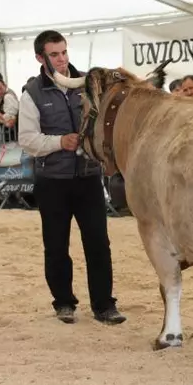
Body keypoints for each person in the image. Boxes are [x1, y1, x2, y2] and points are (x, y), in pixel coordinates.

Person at [18, 29, 125, 325]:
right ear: (40, 57)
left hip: (88, 177)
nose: (62, 59)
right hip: (52, 181)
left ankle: (104, 305)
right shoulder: (32, 93)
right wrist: (58, 142)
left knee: (98, 243)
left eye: (64, 52)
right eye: (54, 54)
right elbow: (26, 139)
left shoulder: (89, 84)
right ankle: (64, 303)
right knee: (55, 245)